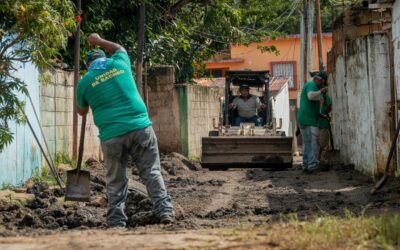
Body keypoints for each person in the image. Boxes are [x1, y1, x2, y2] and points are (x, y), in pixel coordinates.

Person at [76, 33, 174, 227]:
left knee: (115, 180)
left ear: (88, 66)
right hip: (140, 128)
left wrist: (89, 94)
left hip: (112, 136)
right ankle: (165, 211)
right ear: (105, 58)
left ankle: (116, 221)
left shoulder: (85, 82)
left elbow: (81, 111)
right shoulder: (120, 63)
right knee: (152, 172)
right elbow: (120, 47)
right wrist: (98, 40)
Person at [297, 71, 328, 174]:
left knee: (307, 143)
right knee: (314, 143)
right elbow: (310, 96)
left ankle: (306, 165)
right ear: (320, 80)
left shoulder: (312, 86)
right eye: (323, 84)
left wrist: (321, 115)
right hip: (309, 120)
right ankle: (312, 166)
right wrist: (321, 91)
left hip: (304, 119)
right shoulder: (311, 85)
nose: (322, 86)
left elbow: (310, 104)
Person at [319, 92, 332, 170]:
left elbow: (328, 109)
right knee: (324, 145)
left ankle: (321, 162)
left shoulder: (325, 97)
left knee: (322, 145)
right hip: (322, 125)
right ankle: (323, 163)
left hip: (320, 125)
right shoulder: (322, 98)